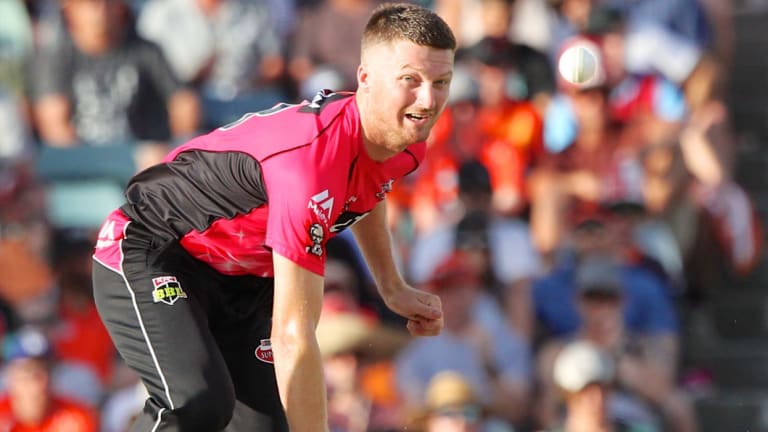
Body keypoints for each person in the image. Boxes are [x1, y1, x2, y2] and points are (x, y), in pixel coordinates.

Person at [91, 3, 456, 431]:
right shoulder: (308, 168)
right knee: (195, 403)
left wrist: (391, 286)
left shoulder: (404, 138)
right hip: (153, 246)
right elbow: (294, 334)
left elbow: (367, 189)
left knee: (266, 426)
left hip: (240, 275)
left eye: (441, 82)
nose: (428, 100)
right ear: (365, 79)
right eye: (410, 80)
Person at [0, 327, 99, 431]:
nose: (37, 385)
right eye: (27, 373)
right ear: (10, 376)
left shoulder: (75, 417)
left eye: (46, 371)